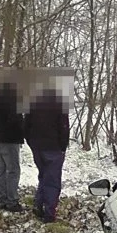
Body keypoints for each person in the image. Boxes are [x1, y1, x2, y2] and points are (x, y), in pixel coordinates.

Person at [24, 87, 70, 223]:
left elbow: (26, 125)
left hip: (37, 147)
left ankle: (38, 205)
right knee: (53, 181)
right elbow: (64, 127)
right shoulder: (60, 104)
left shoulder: (32, 103)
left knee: (43, 176)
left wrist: (31, 143)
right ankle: (49, 213)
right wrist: (63, 146)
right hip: (54, 148)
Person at [0, 82, 25, 212]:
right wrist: (23, 132)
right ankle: (12, 202)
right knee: (13, 171)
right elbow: (15, 121)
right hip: (10, 140)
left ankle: (1, 200)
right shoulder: (13, 102)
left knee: (1, 170)